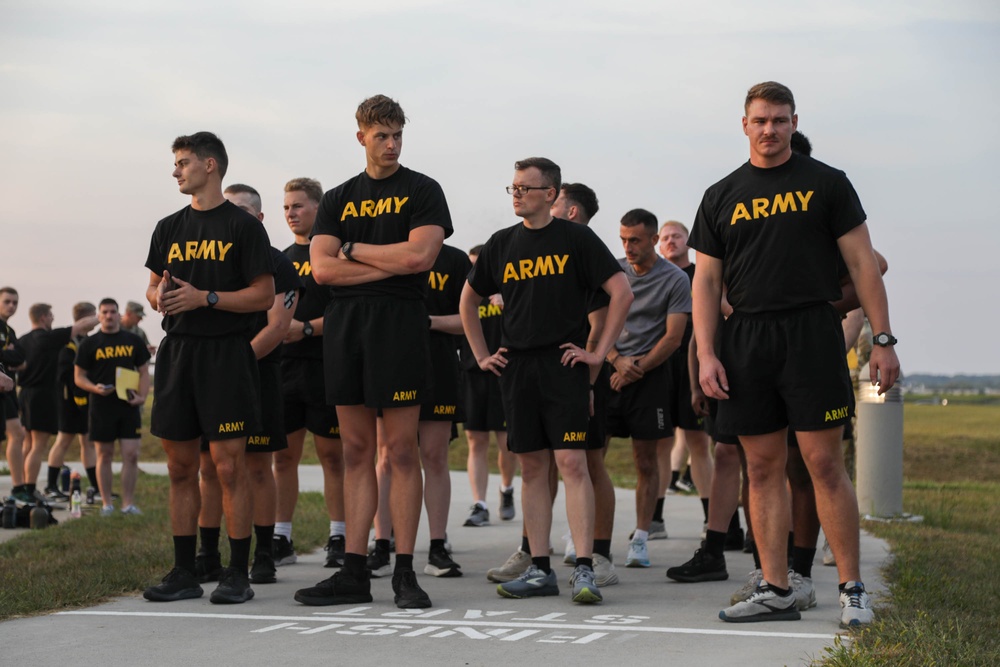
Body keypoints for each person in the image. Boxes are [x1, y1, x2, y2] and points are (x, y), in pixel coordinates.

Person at [689, 82, 899, 627]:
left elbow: (863, 265)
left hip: (810, 334)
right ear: (745, 125)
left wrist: (882, 339)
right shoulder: (721, 195)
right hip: (747, 340)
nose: (770, 130)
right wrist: (707, 353)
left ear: (793, 122)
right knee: (761, 469)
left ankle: (852, 591)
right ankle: (778, 588)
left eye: (780, 120)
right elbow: (706, 283)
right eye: (761, 120)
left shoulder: (827, 183)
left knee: (824, 464)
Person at [294, 94, 452, 609]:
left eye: (398, 135)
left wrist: (356, 250)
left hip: (400, 324)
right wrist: (391, 261)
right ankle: (355, 571)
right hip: (347, 326)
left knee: (401, 452)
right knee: (356, 451)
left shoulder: (422, 190)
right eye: (381, 135)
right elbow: (322, 270)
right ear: (360, 136)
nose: (391, 144)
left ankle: (405, 571)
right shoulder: (339, 197)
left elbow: (421, 257)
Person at [461, 158, 632, 604]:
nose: (517, 194)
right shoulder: (501, 244)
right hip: (517, 368)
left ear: (551, 193)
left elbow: (621, 292)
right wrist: (482, 355)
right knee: (532, 467)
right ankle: (539, 568)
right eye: (513, 187)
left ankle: (584, 569)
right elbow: (469, 299)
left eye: (526, 187)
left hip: (564, 365)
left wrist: (598, 354)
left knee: (572, 464)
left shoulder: (576, 238)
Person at [142, 131, 275, 605]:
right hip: (178, 353)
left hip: (226, 354)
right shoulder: (168, 226)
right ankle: (185, 570)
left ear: (210, 165)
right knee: (180, 467)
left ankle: (237, 573)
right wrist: (162, 296)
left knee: (228, 466)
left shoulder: (243, 227)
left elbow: (263, 294)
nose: (176, 171)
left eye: (182, 162)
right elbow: (152, 287)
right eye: (176, 163)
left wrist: (207, 298)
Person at [195, 184, 300, 586]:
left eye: (240, 211)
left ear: (257, 218)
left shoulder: (277, 264)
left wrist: (233, 366)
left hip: (257, 378)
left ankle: (265, 554)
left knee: (258, 467)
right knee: (209, 467)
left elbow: (277, 327)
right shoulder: (211, 262)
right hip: (211, 381)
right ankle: (206, 555)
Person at [607, 209, 691, 568]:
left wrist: (634, 368)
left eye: (636, 240)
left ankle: (641, 536)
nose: (628, 247)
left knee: (646, 460)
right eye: (624, 239)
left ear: (654, 239)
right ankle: (589, 539)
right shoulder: (611, 272)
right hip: (609, 370)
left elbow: (673, 338)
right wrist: (614, 360)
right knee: (591, 457)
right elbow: (592, 323)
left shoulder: (674, 279)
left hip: (649, 375)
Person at [275, 177, 347, 570]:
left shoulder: (332, 257)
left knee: (332, 458)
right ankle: (280, 537)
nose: (291, 213)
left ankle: (339, 535)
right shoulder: (280, 259)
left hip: (325, 367)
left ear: (318, 209)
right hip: (285, 370)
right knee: (283, 459)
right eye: (286, 207)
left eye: (298, 206)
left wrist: (304, 329)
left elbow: (343, 313)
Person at [74, 298, 151, 515]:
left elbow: (144, 371)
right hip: (101, 405)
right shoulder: (89, 343)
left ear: (120, 315)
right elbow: (79, 377)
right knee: (104, 455)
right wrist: (95, 388)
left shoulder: (132, 340)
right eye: (105, 312)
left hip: (128, 405)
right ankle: (106, 503)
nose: (109, 316)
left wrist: (142, 396)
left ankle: (128, 504)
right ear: (99, 316)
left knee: (131, 455)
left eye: (113, 312)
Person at [17, 303, 98, 502]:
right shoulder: (52, 338)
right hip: (46, 395)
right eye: (51, 315)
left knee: (28, 444)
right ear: (43, 317)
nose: (53, 318)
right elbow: (79, 327)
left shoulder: (22, 340)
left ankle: (22, 488)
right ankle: (31, 488)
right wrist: (107, 318)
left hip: (24, 393)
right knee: (39, 445)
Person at [461, 244, 516, 529]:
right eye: (470, 266)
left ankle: (506, 490)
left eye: (478, 265)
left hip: (504, 372)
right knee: (475, 440)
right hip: (473, 373)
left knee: (506, 439)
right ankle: (479, 503)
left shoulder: (507, 292)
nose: (474, 272)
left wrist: (508, 302)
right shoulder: (467, 297)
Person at [48, 302, 100, 501]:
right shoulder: (69, 342)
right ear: (85, 318)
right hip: (68, 400)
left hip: (85, 400)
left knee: (87, 442)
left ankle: (96, 486)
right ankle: (52, 485)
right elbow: (65, 375)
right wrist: (76, 395)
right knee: (63, 440)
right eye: (93, 315)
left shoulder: (86, 340)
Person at [1, 287, 30, 502]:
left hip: (9, 390)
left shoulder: (9, 330)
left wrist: (10, 354)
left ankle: (19, 487)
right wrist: (9, 354)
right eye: (7, 301)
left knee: (17, 435)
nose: (11, 306)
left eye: (15, 302)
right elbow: (13, 357)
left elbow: (21, 357)